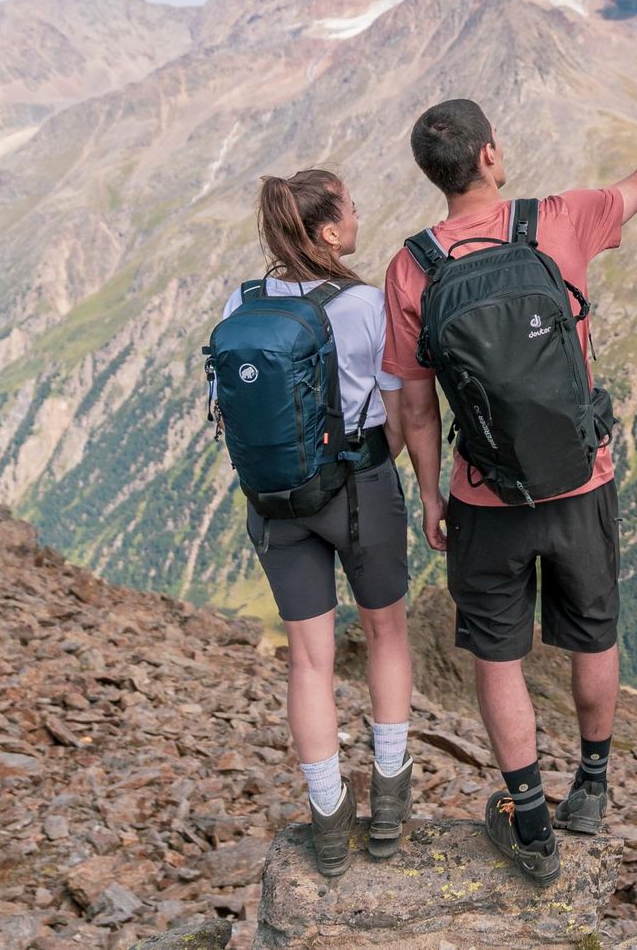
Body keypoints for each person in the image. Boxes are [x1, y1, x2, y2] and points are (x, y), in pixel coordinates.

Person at [384, 99, 637, 885]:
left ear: (434, 177)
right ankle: (593, 787)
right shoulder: (557, 222)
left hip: (483, 495)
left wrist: (431, 497)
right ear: (491, 157)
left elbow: (415, 402)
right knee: (592, 635)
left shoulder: (413, 267)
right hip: (580, 481)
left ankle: (530, 824)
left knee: (499, 658)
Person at [221, 171, 415, 877]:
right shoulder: (365, 304)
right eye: (352, 207)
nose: (361, 214)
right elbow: (397, 414)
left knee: (310, 660)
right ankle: (390, 806)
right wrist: (375, 469)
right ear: (330, 231)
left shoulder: (241, 303)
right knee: (386, 633)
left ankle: (329, 824)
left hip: (273, 502)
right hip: (358, 487)